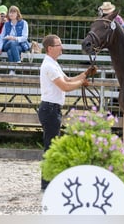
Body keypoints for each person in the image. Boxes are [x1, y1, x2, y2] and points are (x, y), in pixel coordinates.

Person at [38, 34, 97, 191]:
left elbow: (69, 80)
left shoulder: (54, 64)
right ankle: (46, 183)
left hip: (52, 109)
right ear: (50, 48)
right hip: (50, 109)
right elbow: (65, 86)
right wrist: (82, 82)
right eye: (59, 45)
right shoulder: (49, 66)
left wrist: (85, 74)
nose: (61, 47)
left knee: (52, 145)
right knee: (50, 146)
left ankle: (49, 181)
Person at [0, 5, 30, 75]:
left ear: (18, 14)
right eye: (10, 12)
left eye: (13, 12)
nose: (11, 14)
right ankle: (18, 61)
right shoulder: (6, 24)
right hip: (7, 44)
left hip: (20, 45)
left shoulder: (24, 23)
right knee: (11, 42)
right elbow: (2, 37)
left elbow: (25, 37)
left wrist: (15, 38)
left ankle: (12, 70)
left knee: (10, 51)